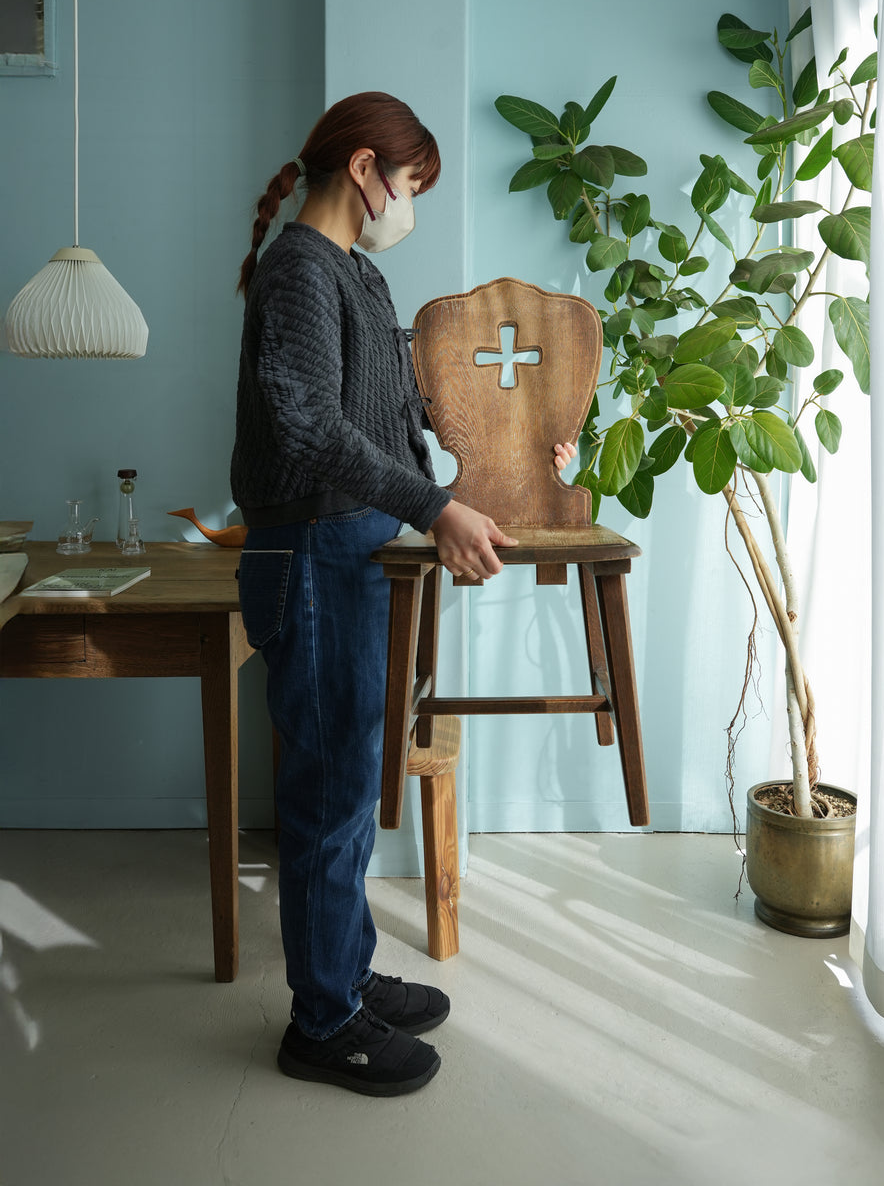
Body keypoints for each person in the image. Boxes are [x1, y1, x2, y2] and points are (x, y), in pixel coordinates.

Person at [231, 91, 574, 1097]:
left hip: (353, 554)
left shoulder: (358, 276)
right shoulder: (300, 270)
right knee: (330, 788)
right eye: (410, 185)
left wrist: (528, 446)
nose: (408, 205)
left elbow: (399, 408)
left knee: (348, 780)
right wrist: (434, 507)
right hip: (311, 558)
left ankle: (342, 974)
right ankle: (322, 1023)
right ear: (368, 167)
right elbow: (304, 427)